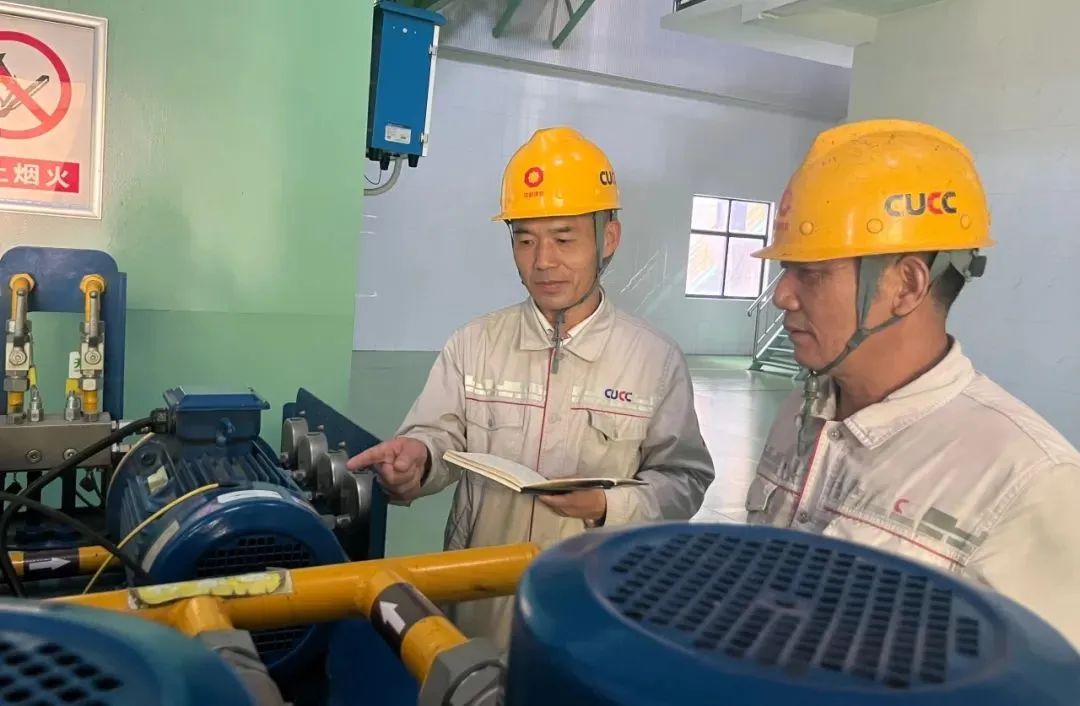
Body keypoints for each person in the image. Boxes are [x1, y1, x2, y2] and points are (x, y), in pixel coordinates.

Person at [347, 126, 715, 647]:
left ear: (608, 239)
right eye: (525, 240)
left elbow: (684, 479)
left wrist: (608, 506)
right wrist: (416, 460)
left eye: (564, 239)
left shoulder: (653, 360)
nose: (543, 261)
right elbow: (438, 437)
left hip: (589, 610)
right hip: (476, 603)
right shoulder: (474, 343)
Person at [723, 117, 1080, 649]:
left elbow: (1051, 681)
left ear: (906, 285)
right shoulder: (804, 408)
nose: (781, 295)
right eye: (786, 269)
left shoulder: (1029, 481)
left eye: (812, 273)